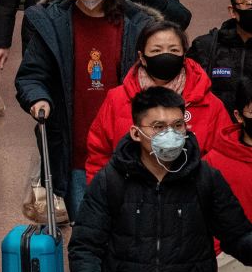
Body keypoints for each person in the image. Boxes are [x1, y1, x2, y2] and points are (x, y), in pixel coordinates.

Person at [72, 85, 252, 272]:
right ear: (136, 132)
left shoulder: (205, 179)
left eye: (177, 125)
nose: (170, 134)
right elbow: (86, 247)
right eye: (158, 127)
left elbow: (238, 236)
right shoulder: (111, 181)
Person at [16, 0, 160, 215]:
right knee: (84, 234)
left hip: (127, 151)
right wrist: (38, 98)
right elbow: (31, 75)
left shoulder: (137, 25)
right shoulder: (52, 24)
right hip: (76, 157)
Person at [85, 21, 230, 179]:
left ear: (184, 56)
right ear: (142, 57)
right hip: (128, 198)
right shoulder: (117, 99)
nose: (166, 55)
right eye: (156, 50)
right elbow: (99, 155)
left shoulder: (210, 104)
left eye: (174, 50)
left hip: (189, 198)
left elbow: (223, 160)